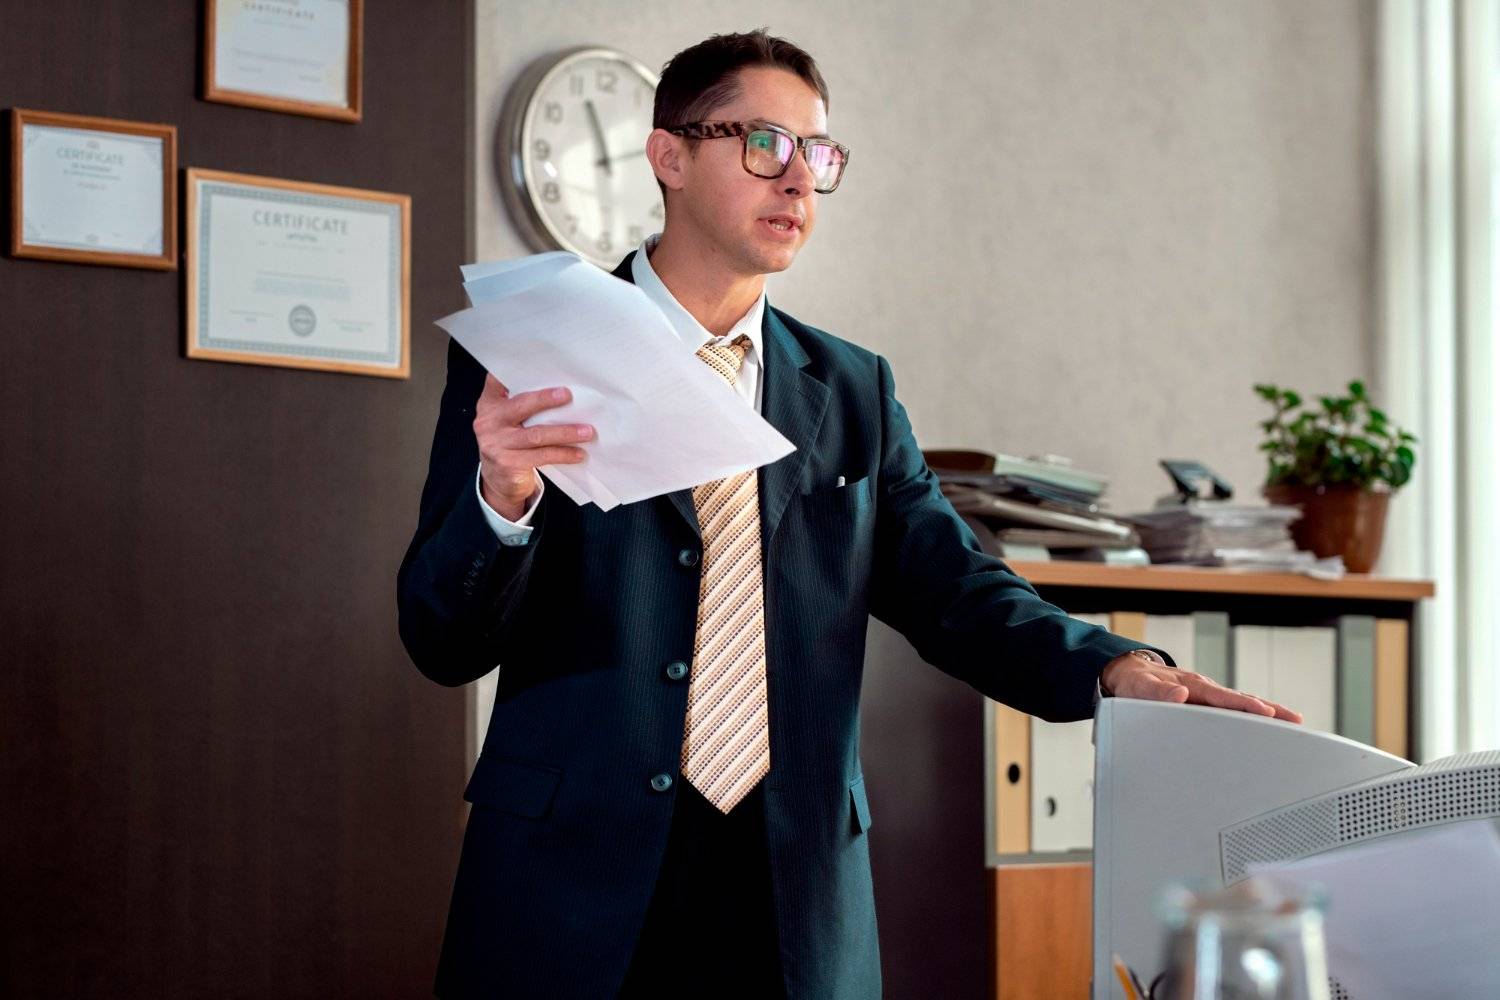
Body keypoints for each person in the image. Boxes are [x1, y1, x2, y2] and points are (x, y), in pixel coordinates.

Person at [397, 29, 1302, 1000]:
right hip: (571, 889)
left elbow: (958, 588)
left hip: (792, 892)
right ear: (669, 156)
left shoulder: (852, 389)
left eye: (817, 154)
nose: (798, 179)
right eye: (764, 145)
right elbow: (441, 640)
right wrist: (504, 498)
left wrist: (1113, 669)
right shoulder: (536, 351)